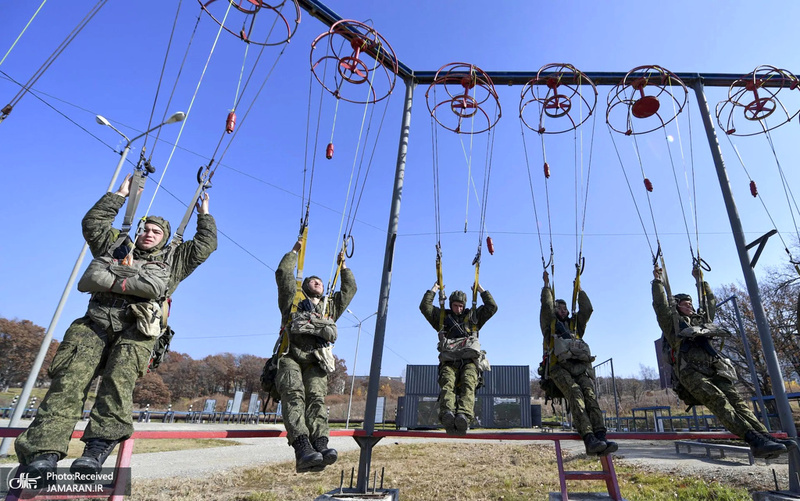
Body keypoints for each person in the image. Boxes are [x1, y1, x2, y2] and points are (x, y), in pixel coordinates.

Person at [16, 174, 217, 477]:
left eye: (155, 231)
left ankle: (96, 451)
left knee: (117, 385)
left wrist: (204, 216)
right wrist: (120, 195)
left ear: (165, 237)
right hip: (94, 322)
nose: (148, 234)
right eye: (145, 229)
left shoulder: (176, 259)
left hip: (137, 330)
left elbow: (205, 245)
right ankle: (42, 453)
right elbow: (93, 224)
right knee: (68, 383)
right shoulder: (115, 245)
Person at [652, 265, 793, 458]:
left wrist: (700, 280)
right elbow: (660, 306)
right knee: (719, 400)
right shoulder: (672, 324)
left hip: (713, 369)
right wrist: (658, 282)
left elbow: (709, 301)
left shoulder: (702, 321)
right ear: (676, 306)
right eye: (685, 304)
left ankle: (765, 436)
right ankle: (753, 439)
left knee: (738, 403)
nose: (690, 306)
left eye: (691, 303)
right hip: (690, 372)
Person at [275, 238, 356, 473]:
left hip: (316, 360)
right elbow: (283, 274)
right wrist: (294, 252)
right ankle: (302, 448)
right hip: (291, 355)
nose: (317, 282)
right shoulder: (292, 301)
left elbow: (350, 290)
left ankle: (321, 445)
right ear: (305, 287)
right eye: (312, 280)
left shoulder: (329, 307)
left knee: (317, 400)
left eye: (320, 281)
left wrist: (344, 268)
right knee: (294, 395)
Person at [540, 270, 617, 456]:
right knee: (575, 394)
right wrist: (546, 286)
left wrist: (579, 289)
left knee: (590, 396)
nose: (562, 311)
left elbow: (587, 309)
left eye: (565, 308)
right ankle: (589, 437)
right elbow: (546, 306)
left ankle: (600, 435)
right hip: (558, 367)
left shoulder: (575, 326)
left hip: (580, 368)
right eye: (559, 308)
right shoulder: (549, 324)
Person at [419, 283, 497, 434]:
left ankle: (464, 416)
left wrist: (480, 290)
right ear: (450, 305)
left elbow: (492, 307)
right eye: (455, 305)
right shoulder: (442, 318)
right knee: (447, 383)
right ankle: (447, 414)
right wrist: (434, 289)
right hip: (449, 360)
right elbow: (425, 307)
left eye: (461, 306)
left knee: (469, 383)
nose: (458, 309)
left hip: (469, 361)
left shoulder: (473, 317)